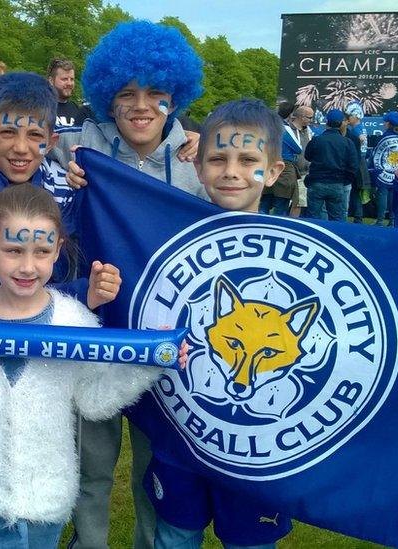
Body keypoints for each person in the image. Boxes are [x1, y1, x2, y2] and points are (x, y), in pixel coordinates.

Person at [0, 183, 179, 548]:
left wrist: (147, 363)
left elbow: (92, 399)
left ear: (58, 250)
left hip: (46, 500)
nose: (27, 266)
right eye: (13, 250)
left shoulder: (75, 321)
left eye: (41, 251)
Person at [52, 20, 205, 549]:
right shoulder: (77, 153)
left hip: (162, 343)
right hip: (96, 335)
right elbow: (16, 144)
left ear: (175, 98)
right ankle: (87, 543)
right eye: (126, 94)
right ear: (107, 100)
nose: (141, 105)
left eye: (156, 94)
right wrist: (67, 181)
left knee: (153, 467)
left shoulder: (197, 166)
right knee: (92, 465)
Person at [143, 98, 293, 549]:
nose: (231, 171)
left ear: (275, 170)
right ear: (199, 166)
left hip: (260, 453)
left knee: (250, 542)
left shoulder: (299, 251)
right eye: (218, 159)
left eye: (249, 160)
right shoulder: (164, 241)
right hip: (183, 438)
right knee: (175, 535)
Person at [0, 72, 76, 231]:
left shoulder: (65, 190)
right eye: (8, 132)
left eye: (35, 135)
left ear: (51, 142)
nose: (21, 148)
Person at [303, 109, 358, 221]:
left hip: (316, 183)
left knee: (313, 219)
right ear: (341, 123)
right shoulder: (347, 142)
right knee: (337, 219)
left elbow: (307, 156)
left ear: (327, 123)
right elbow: (353, 166)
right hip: (337, 184)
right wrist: (345, 181)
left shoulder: (317, 140)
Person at [258, 102, 300, 216]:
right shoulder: (286, 128)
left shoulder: (266, 127)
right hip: (284, 169)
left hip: (267, 164)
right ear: (291, 115)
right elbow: (298, 148)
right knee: (281, 206)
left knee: (264, 204)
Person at [368, 111, 398, 226]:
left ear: (388, 123)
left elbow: (375, 156)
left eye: (385, 122)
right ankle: (392, 220)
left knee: (382, 195)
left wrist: (373, 170)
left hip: (384, 170)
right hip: (397, 171)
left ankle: (380, 220)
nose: (383, 124)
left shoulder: (383, 137)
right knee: (393, 196)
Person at [47, 57, 95, 131]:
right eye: (64, 79)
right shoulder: (40, 107)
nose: (69, 83)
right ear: (51, 80)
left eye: (72, 79)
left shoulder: (77, 109)